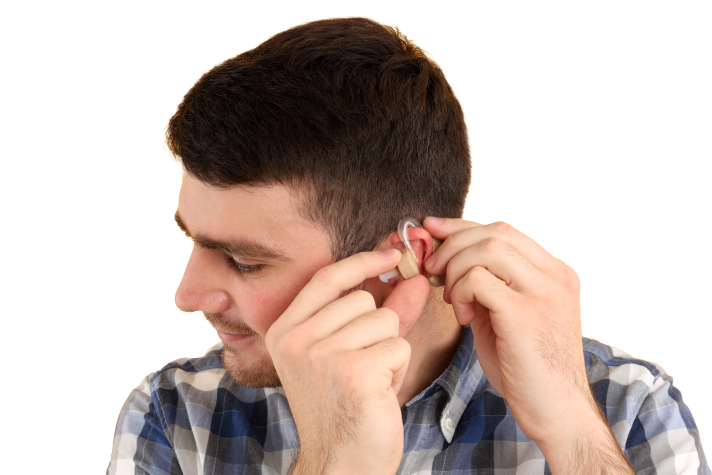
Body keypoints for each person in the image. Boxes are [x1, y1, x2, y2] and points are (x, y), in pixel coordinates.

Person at [107, 14, 709, 475]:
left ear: (402, 258)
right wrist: (332, 463)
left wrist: (577, 440)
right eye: (193, 241)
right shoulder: (175, 415)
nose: (187, 295)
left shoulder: (624, 407)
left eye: (244, 261)